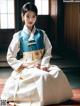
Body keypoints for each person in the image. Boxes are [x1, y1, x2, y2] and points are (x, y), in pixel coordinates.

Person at [1, 2, 73, 106]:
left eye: (33, 16)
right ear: (23, 17)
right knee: (42, 76)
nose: (31, 19)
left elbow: (48, 50)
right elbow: (10, 56)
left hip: (42, 65)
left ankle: (54, 98)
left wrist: (44, 64)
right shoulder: (18, 36)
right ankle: (39, 100)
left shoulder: (42, 33)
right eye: (28, 16)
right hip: (27, 67)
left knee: (58, 72)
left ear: (36, 17)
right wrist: (26, 65)